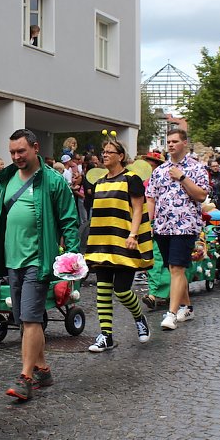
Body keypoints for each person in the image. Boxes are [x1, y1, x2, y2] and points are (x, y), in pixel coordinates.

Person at [0, 129, 79, 401]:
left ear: (35, 148)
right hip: (11, 260)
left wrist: (72, 258)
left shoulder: (53, 181)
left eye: (21, 151)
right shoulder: (7, 178)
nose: (16, 156)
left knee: (31, 318)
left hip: (38, 259)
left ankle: (25, 377)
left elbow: (69, 221)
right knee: (23, 320)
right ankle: (43, 368)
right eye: (12, 152)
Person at [85, 134, 154, 352]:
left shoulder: (131, 179)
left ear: (121, 156)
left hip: (124, 242)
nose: (104, 155)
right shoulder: (100, 182)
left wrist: (133, 235)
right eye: (103, 152)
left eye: (109, 152)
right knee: (103, 290)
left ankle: (139, 318)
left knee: (122, 290)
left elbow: (137, 209)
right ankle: (106, 336)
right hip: (101, 242)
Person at [145, 129, 209, 331]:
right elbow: (151, 197)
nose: (170, 145)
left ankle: (171, 314)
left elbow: (201, 196)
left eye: (175, 141)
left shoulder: (196, 168)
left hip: (185, 226)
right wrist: (149, 222)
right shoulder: (159, 170)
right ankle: (187, 307)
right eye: (168, 141)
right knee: (173, 269)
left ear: (184, 143)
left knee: (176, 268)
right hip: (163, 227)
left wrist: (182, 178)